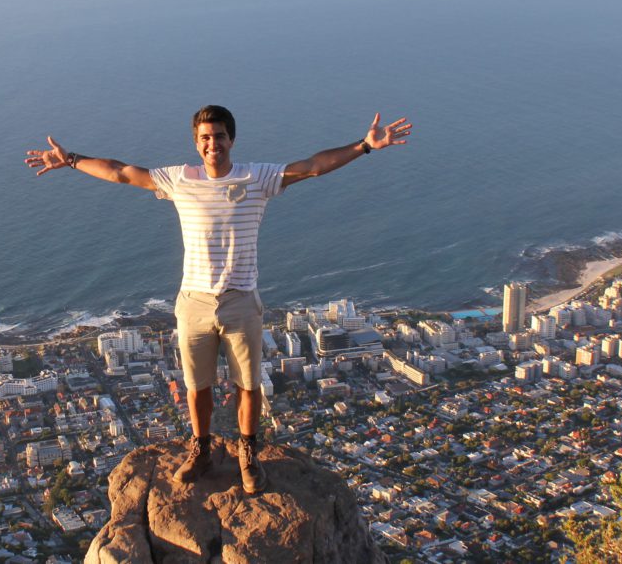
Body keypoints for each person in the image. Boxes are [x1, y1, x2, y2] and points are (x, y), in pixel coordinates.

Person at [25, 105, 412, 494]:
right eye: (206, 138)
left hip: (241, 299)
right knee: (197, 387)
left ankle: (247, 453)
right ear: (197, 143)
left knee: (248, 386)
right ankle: (202, 449)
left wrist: (364, 145)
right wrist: (71, 159)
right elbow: (121, 172)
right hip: (193, 301)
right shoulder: (178, 179)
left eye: (220, 136)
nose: (213, 144)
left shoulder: (257, 178)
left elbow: (312, 166)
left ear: (232, 140)